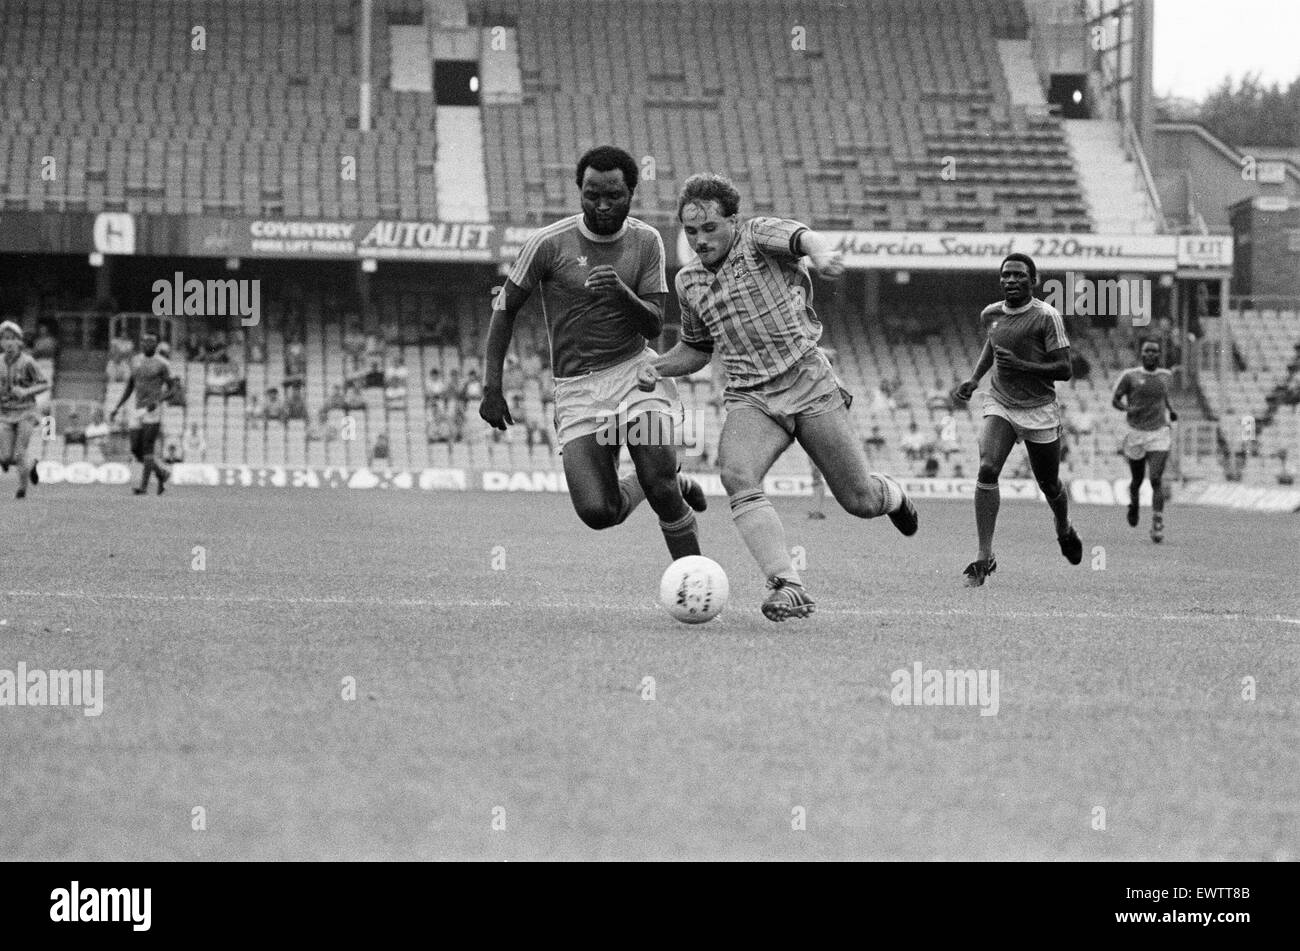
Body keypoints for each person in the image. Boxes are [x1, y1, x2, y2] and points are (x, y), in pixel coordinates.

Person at [638, 173, 917, 620]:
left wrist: (823, 255)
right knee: (736, 474)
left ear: (734, 220)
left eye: (710, 228)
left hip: (808, 383)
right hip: (751, 396)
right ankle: (788, 584)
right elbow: (697, 349)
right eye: (691, 231)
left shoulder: (757, 236)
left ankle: (893, 496)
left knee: (859, 500)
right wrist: (657, 365)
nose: (700, 239)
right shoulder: (688, 281)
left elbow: (802, 237)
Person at [479, 145, 707, 561]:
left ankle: (695, 579)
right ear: (579, 191)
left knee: (660, 486)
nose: (602, 205)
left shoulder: (646, 241)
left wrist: (622, 295)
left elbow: (654, 324)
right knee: (599, 512)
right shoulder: (547, 244)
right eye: (591, 195)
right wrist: (491, 387)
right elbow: (505, 309)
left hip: (636, 376)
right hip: (577, 391)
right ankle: (669, 480)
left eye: (613, 196)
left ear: (632, 193)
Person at [952, 253, 1082, 587]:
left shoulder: (1046, 317)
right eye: (1006, 276)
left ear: (1033, 280)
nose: (1011, 280)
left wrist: (1025, 366)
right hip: (1001, 402)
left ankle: (1064, 527)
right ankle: (984, 557)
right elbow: (992, 347)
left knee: (1049, 484)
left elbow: (1064, 369)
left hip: (1039, 408)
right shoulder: (991, 314)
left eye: (1019, 276)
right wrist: (975, 378)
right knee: (988, 468)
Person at [1112, 338, 1178, 543]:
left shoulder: (1167, 376)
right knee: (1137, 480)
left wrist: (1171, 410)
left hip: (1159, 432)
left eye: (1155, 351)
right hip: (1136, 433)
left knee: (1156, 478)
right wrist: (1126, 409)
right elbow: (1115, 399)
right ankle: (1134, 504)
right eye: (1147, 351)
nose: (1151, 354)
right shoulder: (1130, 376)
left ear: (1159, 355)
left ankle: (1157, 522)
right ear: (1141, 354)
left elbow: (1165, 396)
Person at [109, 332, 175, 495]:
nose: (147, 344)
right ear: (141, 343)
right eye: (145, 341)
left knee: (147, 448)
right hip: (136, 409)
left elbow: (173, 389)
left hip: (152, 410)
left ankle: (143, 487)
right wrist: (117, 407)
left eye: (151, 341)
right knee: (135, 448)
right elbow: (130, 386)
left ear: (156, 344)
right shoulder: (135, 361)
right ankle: (161, 473)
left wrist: (158, 401)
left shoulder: (162, 364)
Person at [0, 321, 50, 499]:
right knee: (5, 458)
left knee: (20, 452)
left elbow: (45, 383)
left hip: (26, 412)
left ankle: (22, 490)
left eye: (13, 339)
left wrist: (26, 391)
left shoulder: (28, 362)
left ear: (20, 342)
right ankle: (31, 465)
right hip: (5, 414)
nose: (9, 343)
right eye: (5, 339)